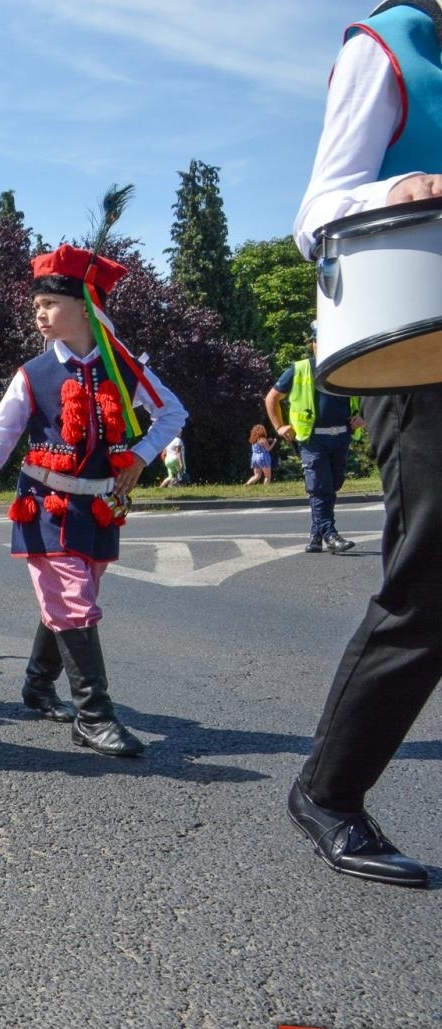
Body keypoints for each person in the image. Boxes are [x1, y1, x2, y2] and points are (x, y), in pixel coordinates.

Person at [284, 0, 442, 888]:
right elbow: (320, 212)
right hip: (415, 341)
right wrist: (398, 189)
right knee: (431, 579)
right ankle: (330, 792)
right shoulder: (387, 48)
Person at [0, 232, 188, 756]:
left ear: (85, 308)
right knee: (73, 603)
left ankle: (37, 685)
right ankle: (94, 716)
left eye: (50, 303)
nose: (39, 313)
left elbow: (173, 412)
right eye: (37, 304)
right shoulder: (32, 374)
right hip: (45, 506)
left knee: (68, 602)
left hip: (99, 505)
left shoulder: (125, 367)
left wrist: (141, 457)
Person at [264, 338, 364, 553]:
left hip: (341, 437)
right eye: (319, 340)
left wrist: (361, 417)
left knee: (332, 484)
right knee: (320, 486)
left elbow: (363, 396)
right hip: (312, 439)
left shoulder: (345, 365)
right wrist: (280, 427)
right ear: (313, 344)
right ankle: (330, 534)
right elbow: (272, 398)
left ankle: (315, 535)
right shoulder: (300, 368)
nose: (324, 344)